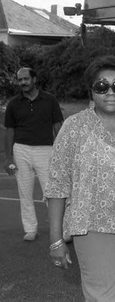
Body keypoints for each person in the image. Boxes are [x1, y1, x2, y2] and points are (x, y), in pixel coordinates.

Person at [44, 55, 115, 302]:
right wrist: (55, 241)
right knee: (103, 296)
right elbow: (56, 185)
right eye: (101, 86)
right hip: (90, 224)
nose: (110, 92)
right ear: (91, 90)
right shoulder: (74, 127)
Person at [3, 67, 64, 241]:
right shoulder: (14, 104)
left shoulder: (50, 100)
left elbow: (58, 127)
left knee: (51, 192)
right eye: (20, 80)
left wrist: (62, 153)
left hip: (46, 150)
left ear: (34, 79)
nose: (22, 82)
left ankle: (59, 230)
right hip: (21, 150)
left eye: (26, 79)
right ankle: (30, 229)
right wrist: (8, 158)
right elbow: (9, 131)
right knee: (25, 192)